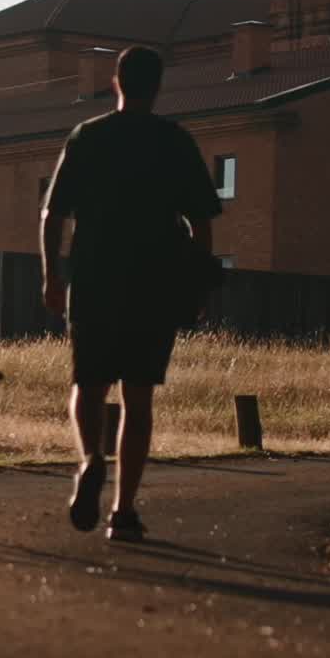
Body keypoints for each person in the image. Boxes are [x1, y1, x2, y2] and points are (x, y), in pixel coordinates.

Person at [40, 44, 221, 542]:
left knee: (88, 385)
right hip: (155, 282)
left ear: (116, 82)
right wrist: (197, 284)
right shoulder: (174, 142)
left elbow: (52, 215)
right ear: (157, 86)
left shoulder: (88, 137)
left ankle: (91, 459)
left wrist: (52, 277)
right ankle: (123, 512)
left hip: (95, 278)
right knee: (138, 398)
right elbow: (202, 219)